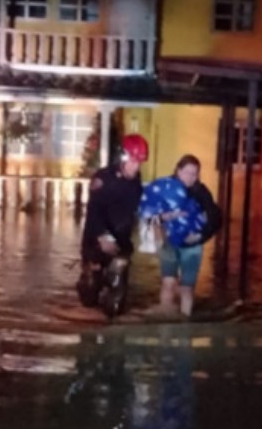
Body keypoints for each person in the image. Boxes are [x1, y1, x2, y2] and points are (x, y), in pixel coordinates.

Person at [77, 133, 148, 317]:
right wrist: (102, 237)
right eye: (133, 161)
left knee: (117, 299)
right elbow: (94, 211)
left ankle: (112, 327)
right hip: (95, 239)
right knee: (90, 294)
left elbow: (134, 212)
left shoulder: (136, 184)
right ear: (122, 157)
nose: (136, 166)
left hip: (121, 242)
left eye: (139, 162)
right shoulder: (103, 178)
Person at [153, 155, 221, 317]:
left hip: (192, 246)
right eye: (187, 173)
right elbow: (150, 213)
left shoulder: (201, 192)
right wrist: (163, 220)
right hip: (169, 243)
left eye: (195, 174)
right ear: (178, 171)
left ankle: (184, 327)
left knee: (186, 288)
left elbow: (215, 219)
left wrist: (200, 236)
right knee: (168, 283)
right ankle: (165, 326)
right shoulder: (165, 188)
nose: (190, 178)